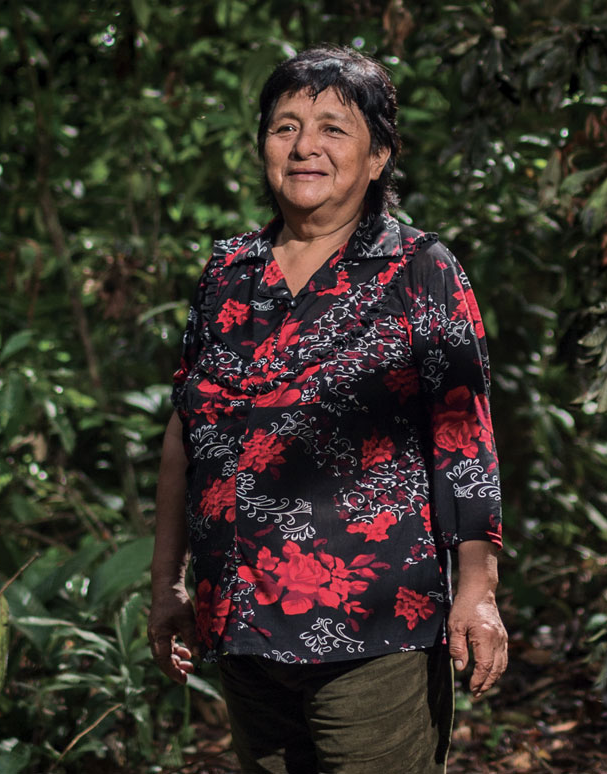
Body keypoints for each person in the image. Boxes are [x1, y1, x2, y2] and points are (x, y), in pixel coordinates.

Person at [148, 44, 506, 774]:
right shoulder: (228, 272)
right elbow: (187, 431)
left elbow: (463, 440)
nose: (304, 146)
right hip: (240, 627)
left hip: (371, 630)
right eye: (285, 127)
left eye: (332, 128)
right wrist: (167, 584)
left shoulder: (419, 268)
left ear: (378, 157)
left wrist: (478, 592)